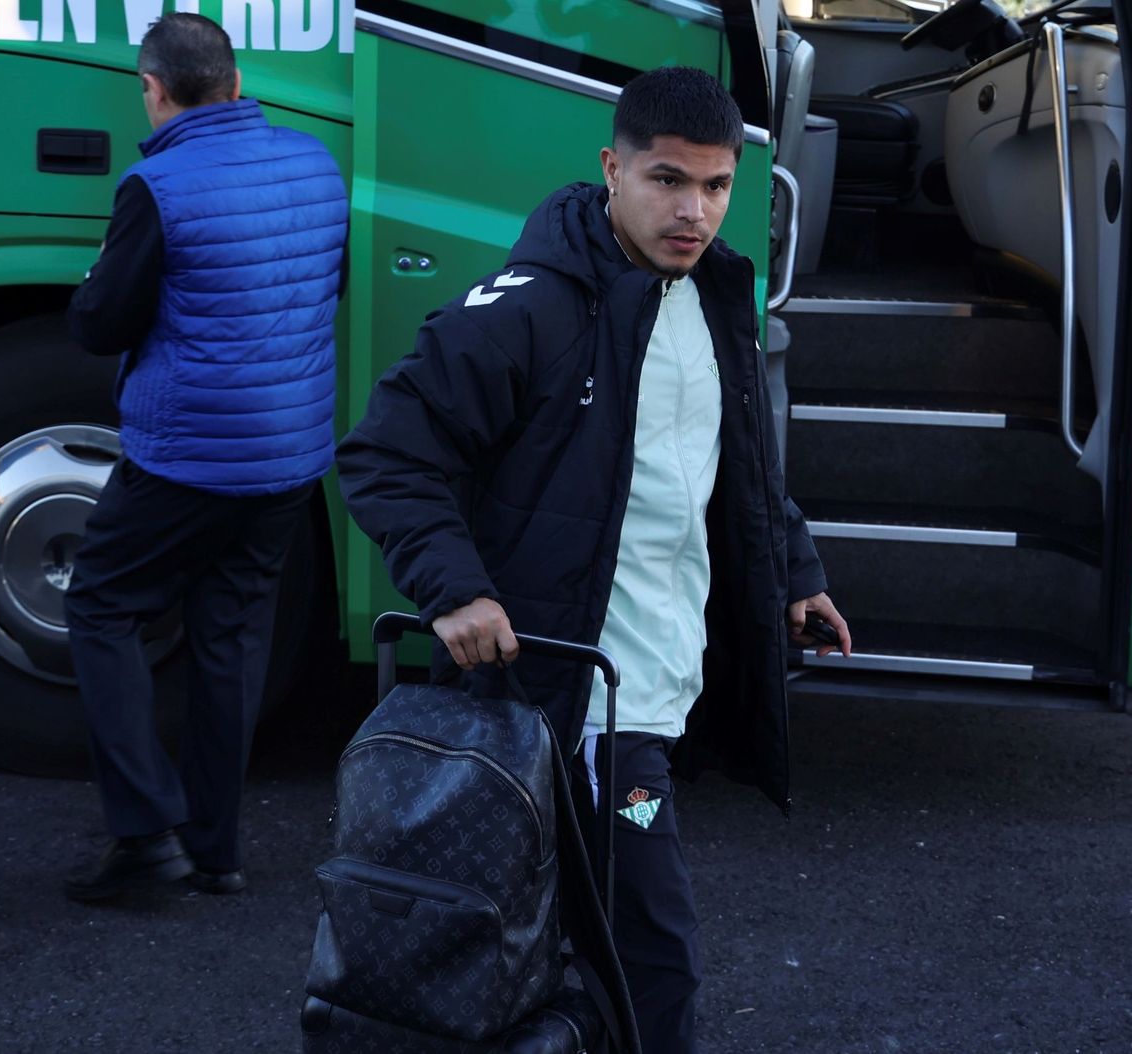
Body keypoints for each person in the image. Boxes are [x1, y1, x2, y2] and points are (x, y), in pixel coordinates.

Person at [338, 66, 851, 1054]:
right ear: (610, 170)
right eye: (666, 180)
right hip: (571, 700)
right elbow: (387, 451)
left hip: (653, 680)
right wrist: (453, 587)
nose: (691, 210)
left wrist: (794, 573)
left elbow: (731, 460)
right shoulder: (530, 308)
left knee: (576, 945)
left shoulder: (711, 297)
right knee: (653, 955)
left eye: (714, 186)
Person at [60, 12, 347, 902]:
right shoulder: (315, 164)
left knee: (102, 601)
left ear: (155, 89)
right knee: (230, 640)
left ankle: (147, 838)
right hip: (289, 459)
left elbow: (100, 321)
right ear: (233, 80)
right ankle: (215, 849)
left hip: (188, 457)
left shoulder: (158, 183)